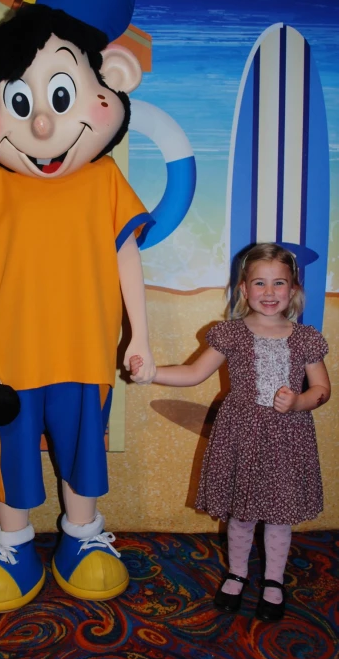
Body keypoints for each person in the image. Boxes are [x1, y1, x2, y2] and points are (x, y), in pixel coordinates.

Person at [0, 0, 155, 613]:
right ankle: (12, 542)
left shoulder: (105, 183)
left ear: (109, 82)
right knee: (10, 452)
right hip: (7, 358)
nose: (40, 121)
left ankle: (83, 533)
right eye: (20, 98)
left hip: (84, 353)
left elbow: (128, 259)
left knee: (82, 449)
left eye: (61, 95)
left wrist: (139, 335)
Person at [130, 243, 330, 621]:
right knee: (241, 513)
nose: (269, 292)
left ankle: (273, 580)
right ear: (243, 289)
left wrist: (299, 402)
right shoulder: (230, 334)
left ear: (293, 290)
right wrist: (152, 373)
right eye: (259, 283)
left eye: (279, 283)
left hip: (288, 438)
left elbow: (322, 389)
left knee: (279, 515)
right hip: (241, 434)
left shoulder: (306, 338)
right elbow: (193, 374)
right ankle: (236, 573)